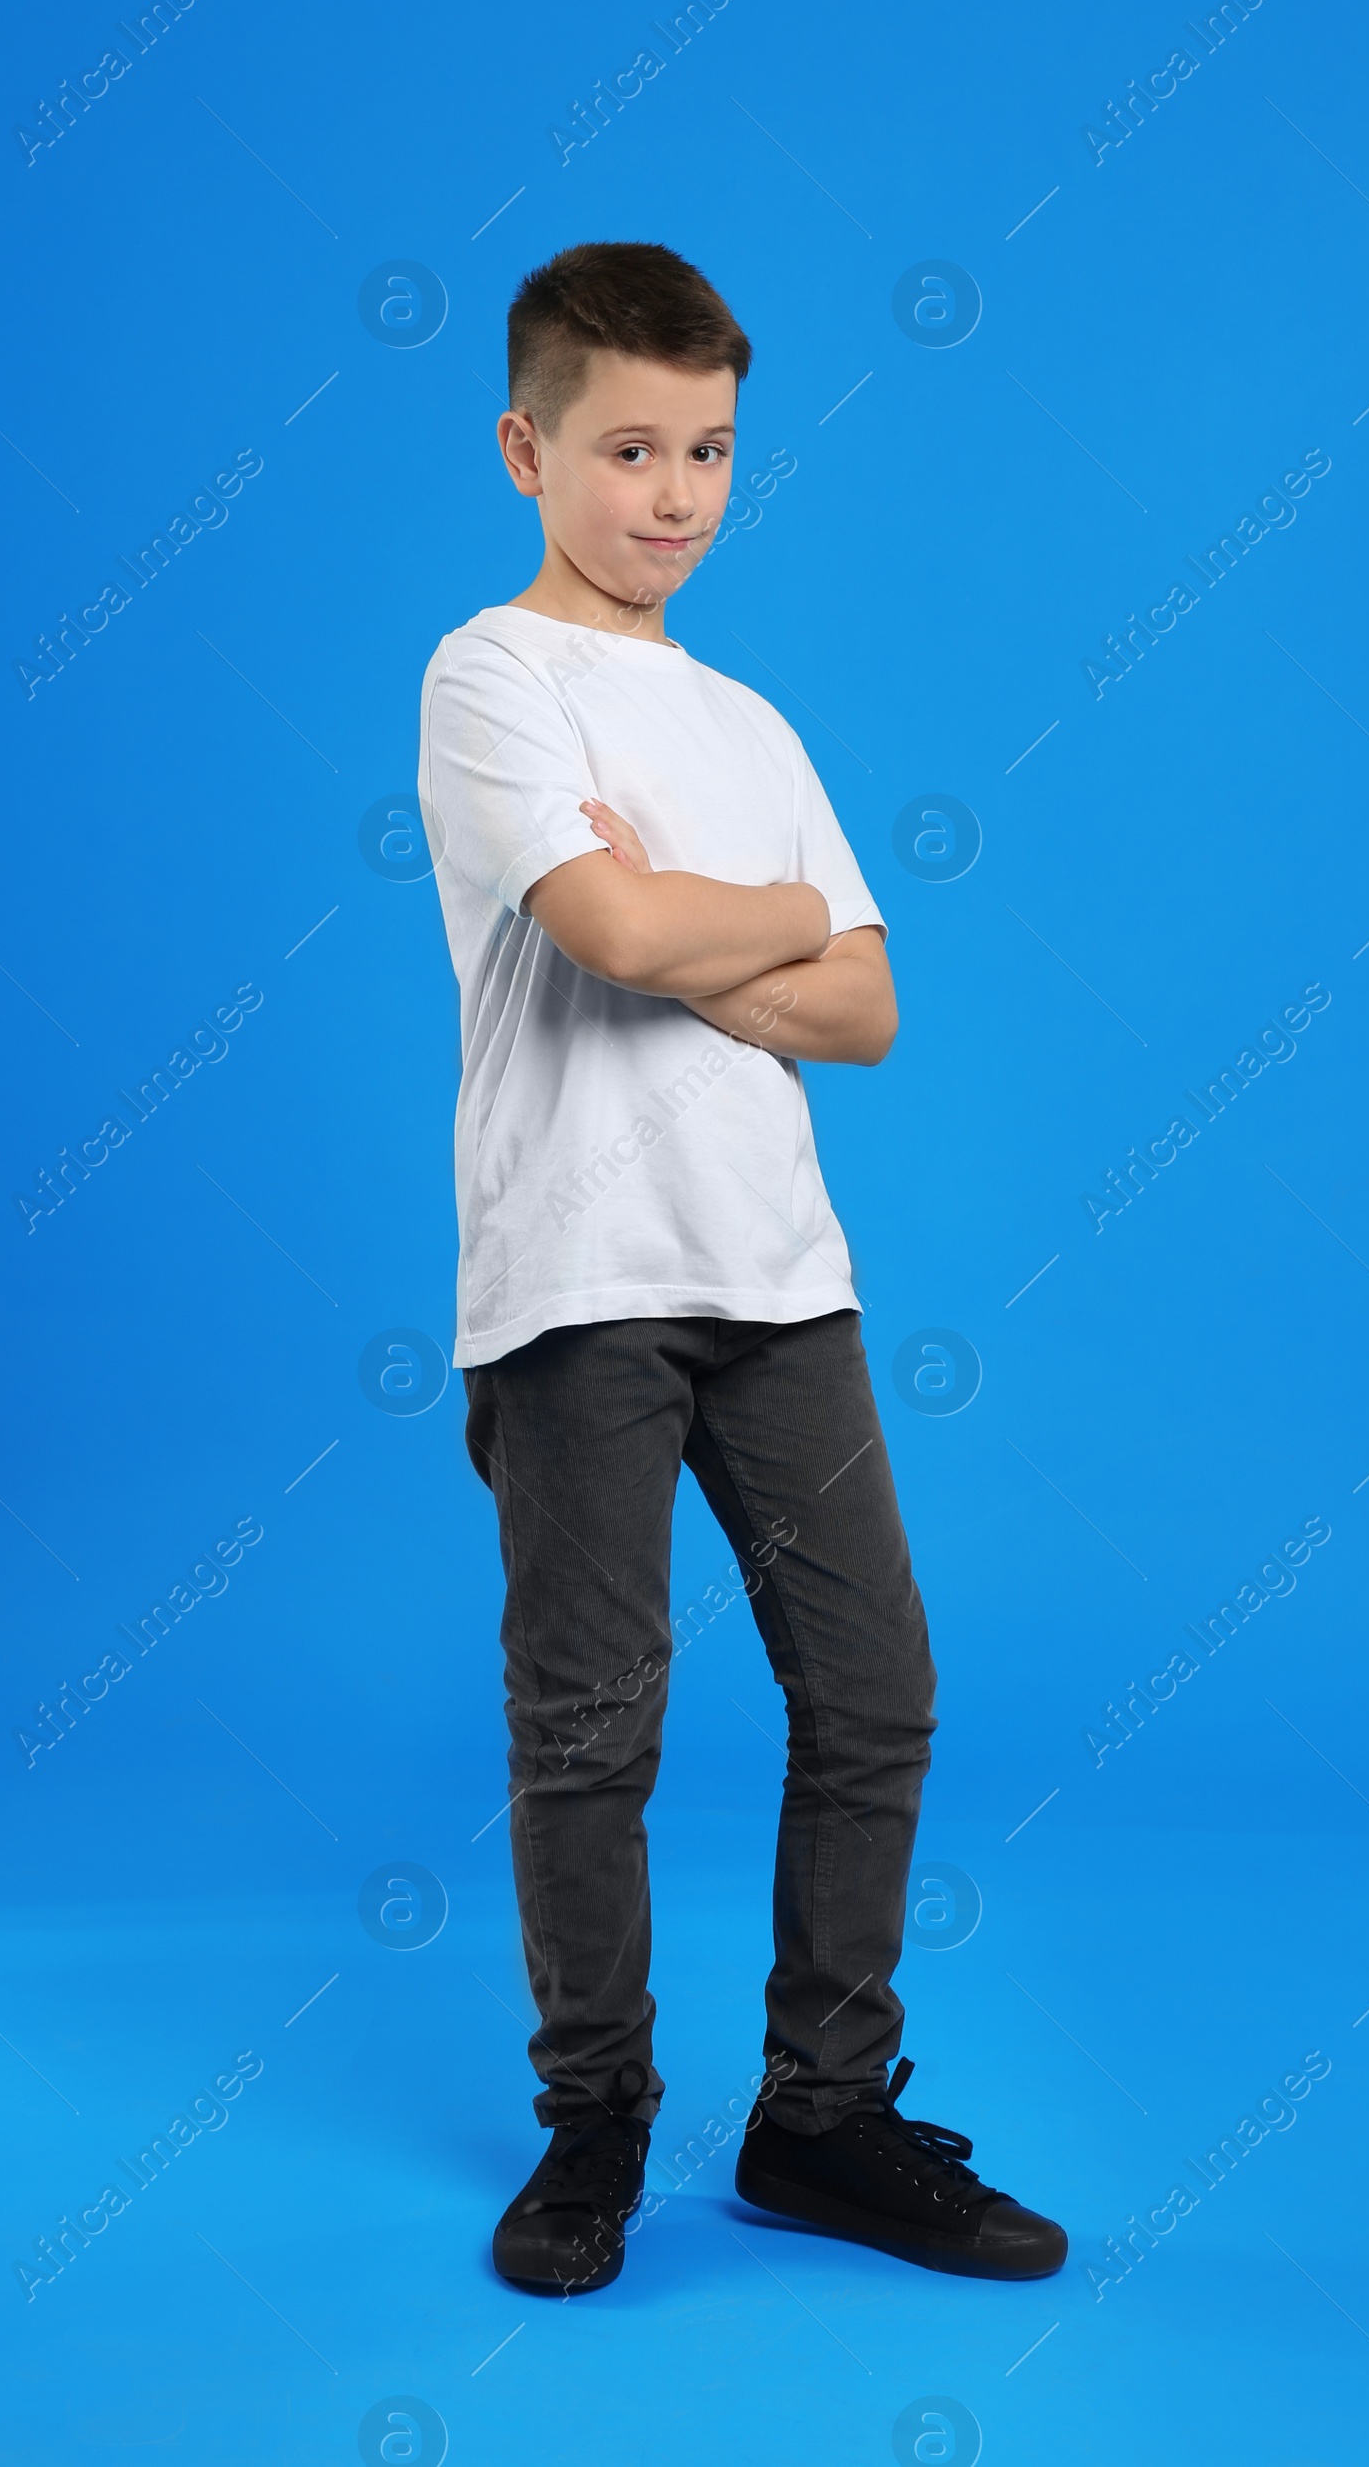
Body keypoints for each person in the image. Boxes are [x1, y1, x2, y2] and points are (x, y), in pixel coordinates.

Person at [417, 241, 1066, 2297]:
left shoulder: (749, 721)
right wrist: (747, 924)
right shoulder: (487, 679)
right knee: (590, 1724)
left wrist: (728, 906)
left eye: (706, 448)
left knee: (874, 1691)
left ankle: (819, 2120)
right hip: (573, 1284)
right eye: (625, 449)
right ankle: (593, 2118)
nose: (673, 492)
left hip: (777, 1274)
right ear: (526, 450)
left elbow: (869, 1007)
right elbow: (602, 939)